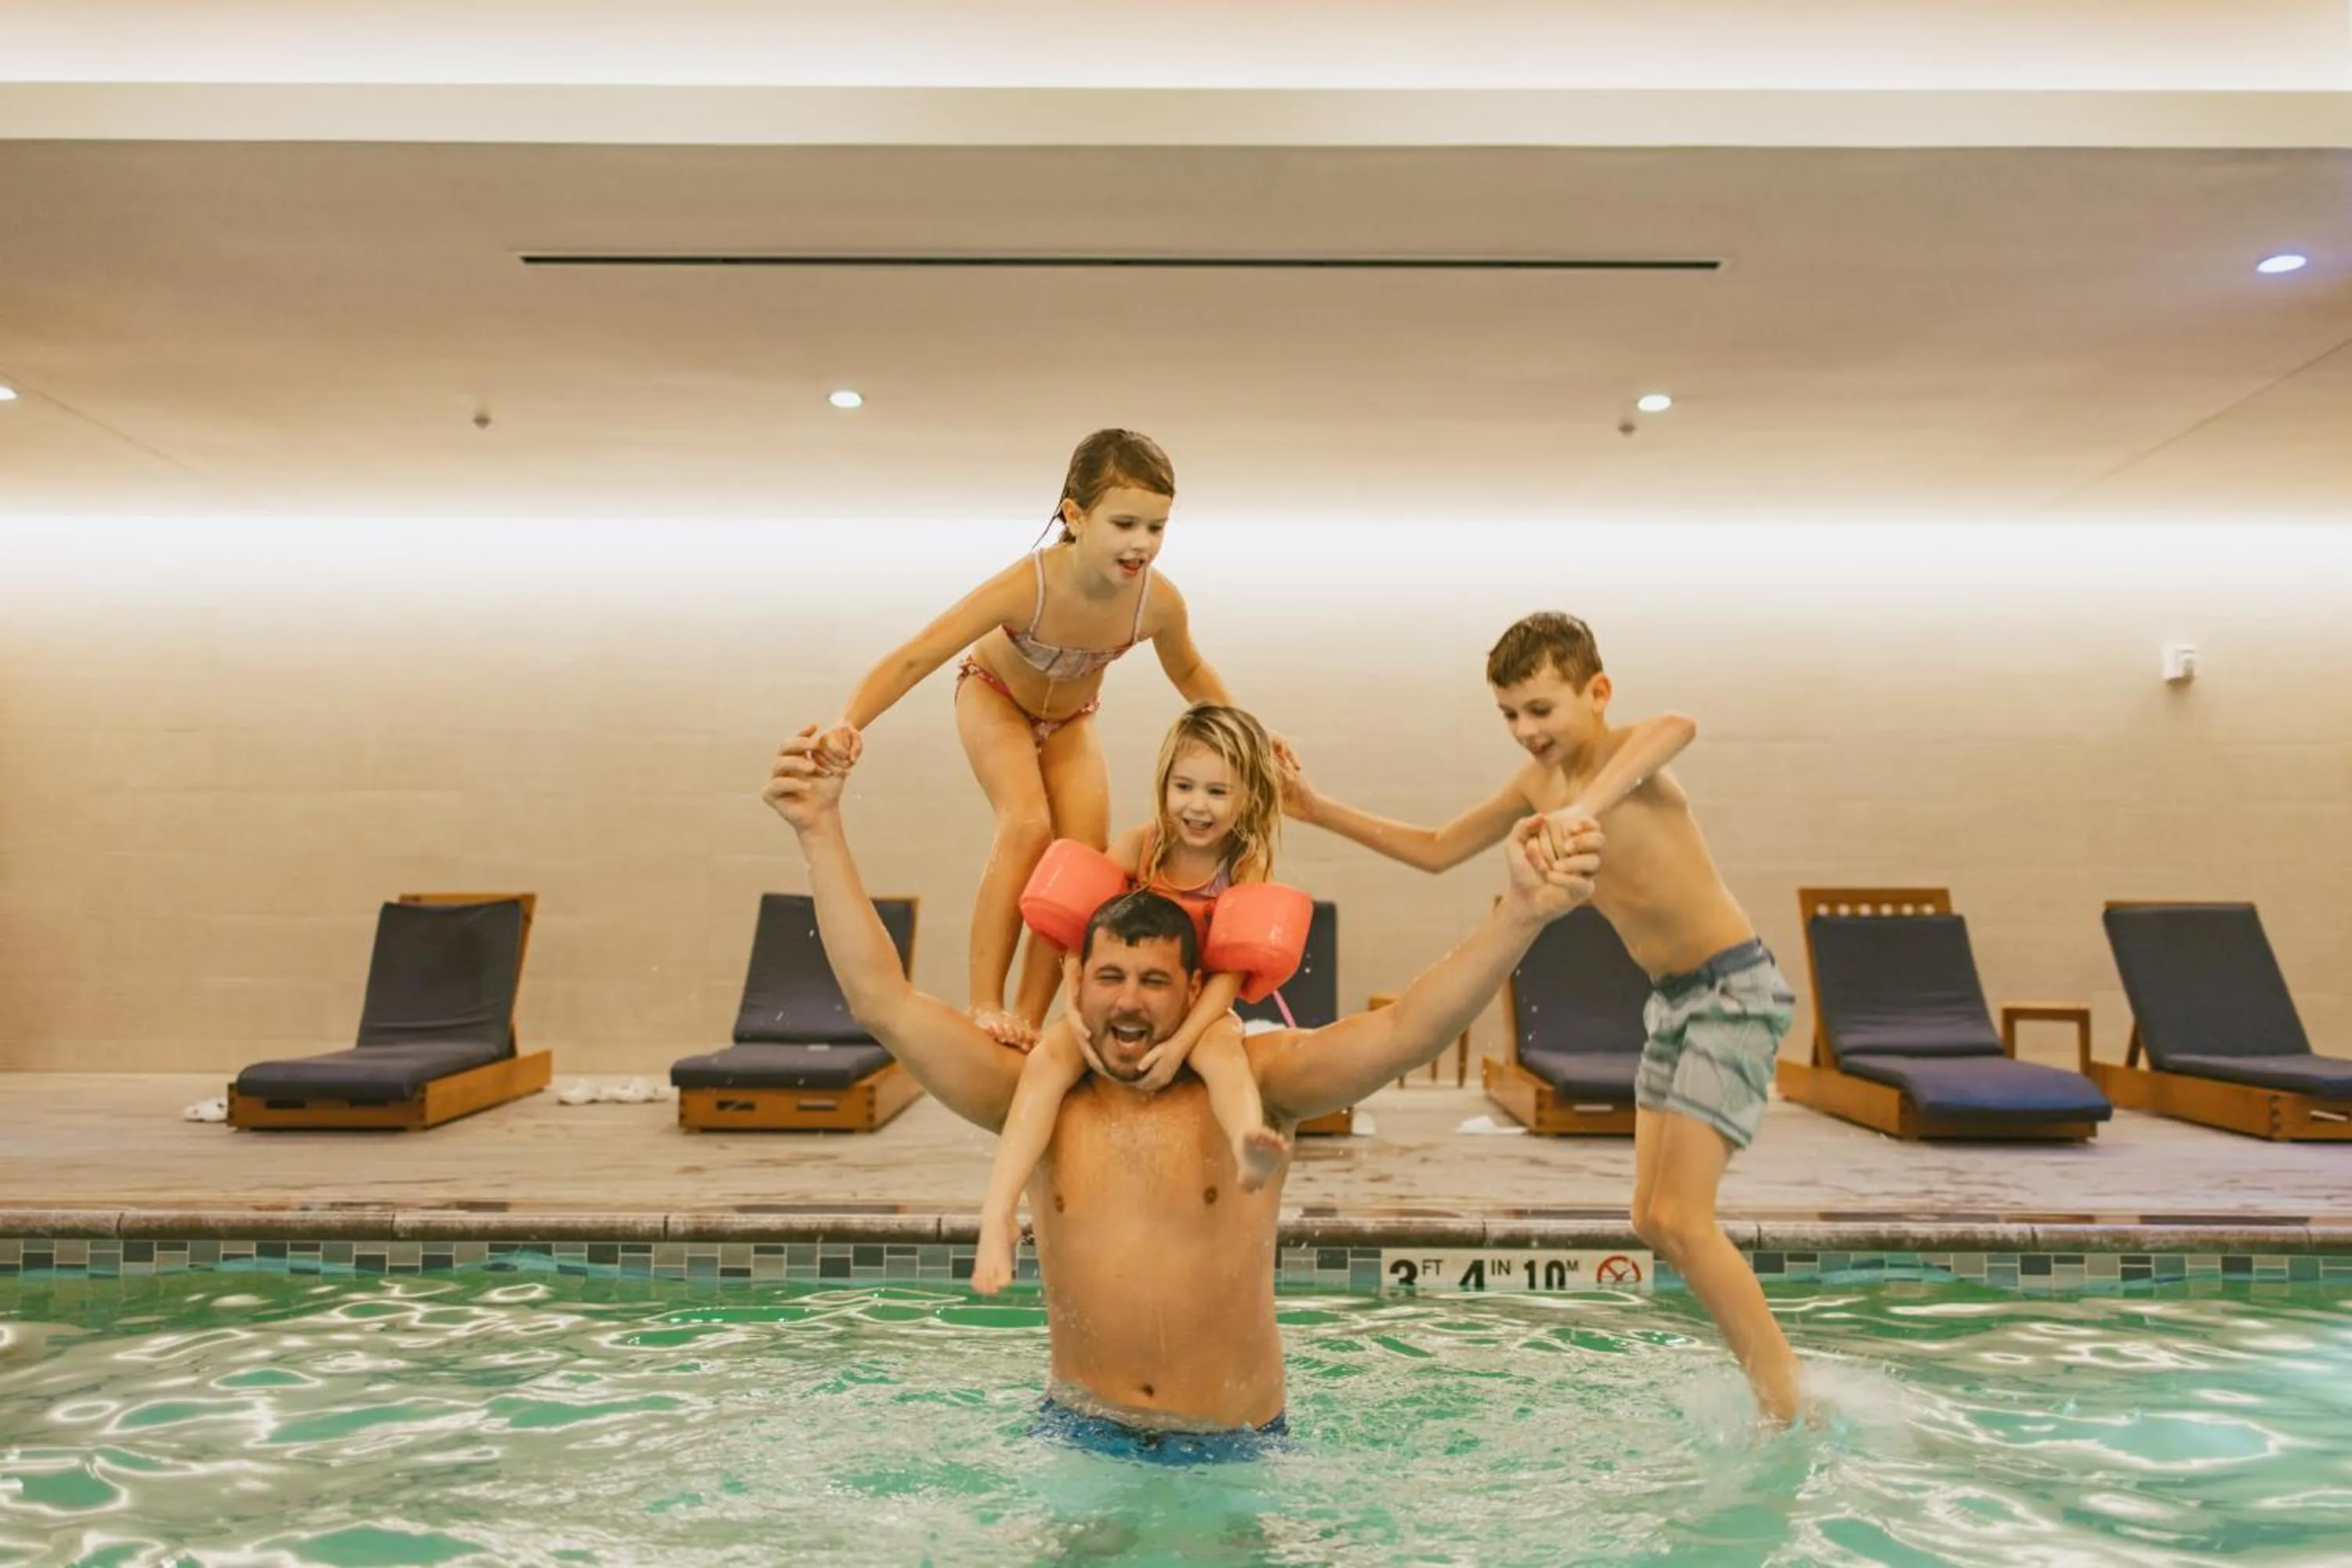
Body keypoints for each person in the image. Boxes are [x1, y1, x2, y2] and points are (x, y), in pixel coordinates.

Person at [760, 727, 1602, 1460]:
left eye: (1156, 980)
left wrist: (1520, 916)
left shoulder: (1258, 1083)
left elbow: (1406, 1029)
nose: (1130, 1000)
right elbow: (883, 1001)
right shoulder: (1036, 1094)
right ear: (1076, 977)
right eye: (1112, 976)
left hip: (1235, 1450)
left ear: (1195, 985)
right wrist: (819, 828)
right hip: (1081, 1436)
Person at [1281, 612, 1804, 1425]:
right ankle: (1770, 1381)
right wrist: (1318, 809)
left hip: (1733, 992)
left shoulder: (1631, 757)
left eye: (1542, 708)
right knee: (1650, 1219)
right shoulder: (1537, 786)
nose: (1527, 730)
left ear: (1596, 693)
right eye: (1510, 714)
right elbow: (1436, 847)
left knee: (1679, 1216)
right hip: (1672, 1001)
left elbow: (1679, 725)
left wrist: (1580, 809)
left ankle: (1788, 1404)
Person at [811, 430, 1283, 1047]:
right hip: (994, 698)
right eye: (1124, 524)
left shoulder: (1155, 604)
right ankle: (985, 1002)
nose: (1141, 544)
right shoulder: (1026, 586)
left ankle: (1028, 1019)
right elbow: (917, 656)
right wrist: (850, 721)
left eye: (1156, 527)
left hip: (1071, 720)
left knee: (1084, 860)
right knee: (1027, 825)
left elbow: (1191, 672)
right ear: (1076, 515)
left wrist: (1254, 738)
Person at [971, 703, 1290, 1295]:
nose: (1198, 805)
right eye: (1184, 786)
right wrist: (1076, 1008)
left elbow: (1229, 970)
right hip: (1118, 1003)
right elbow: (1077, 932)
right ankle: (997, 1212)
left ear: (1248, 796)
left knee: (1226, 1055)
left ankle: (1249, 1147)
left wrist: (1181, 1047)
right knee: (1046, 1062)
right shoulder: (1139, 847)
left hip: (1197, 1008)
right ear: (1164, 784)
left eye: (1218, 791)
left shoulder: (1244, 866)